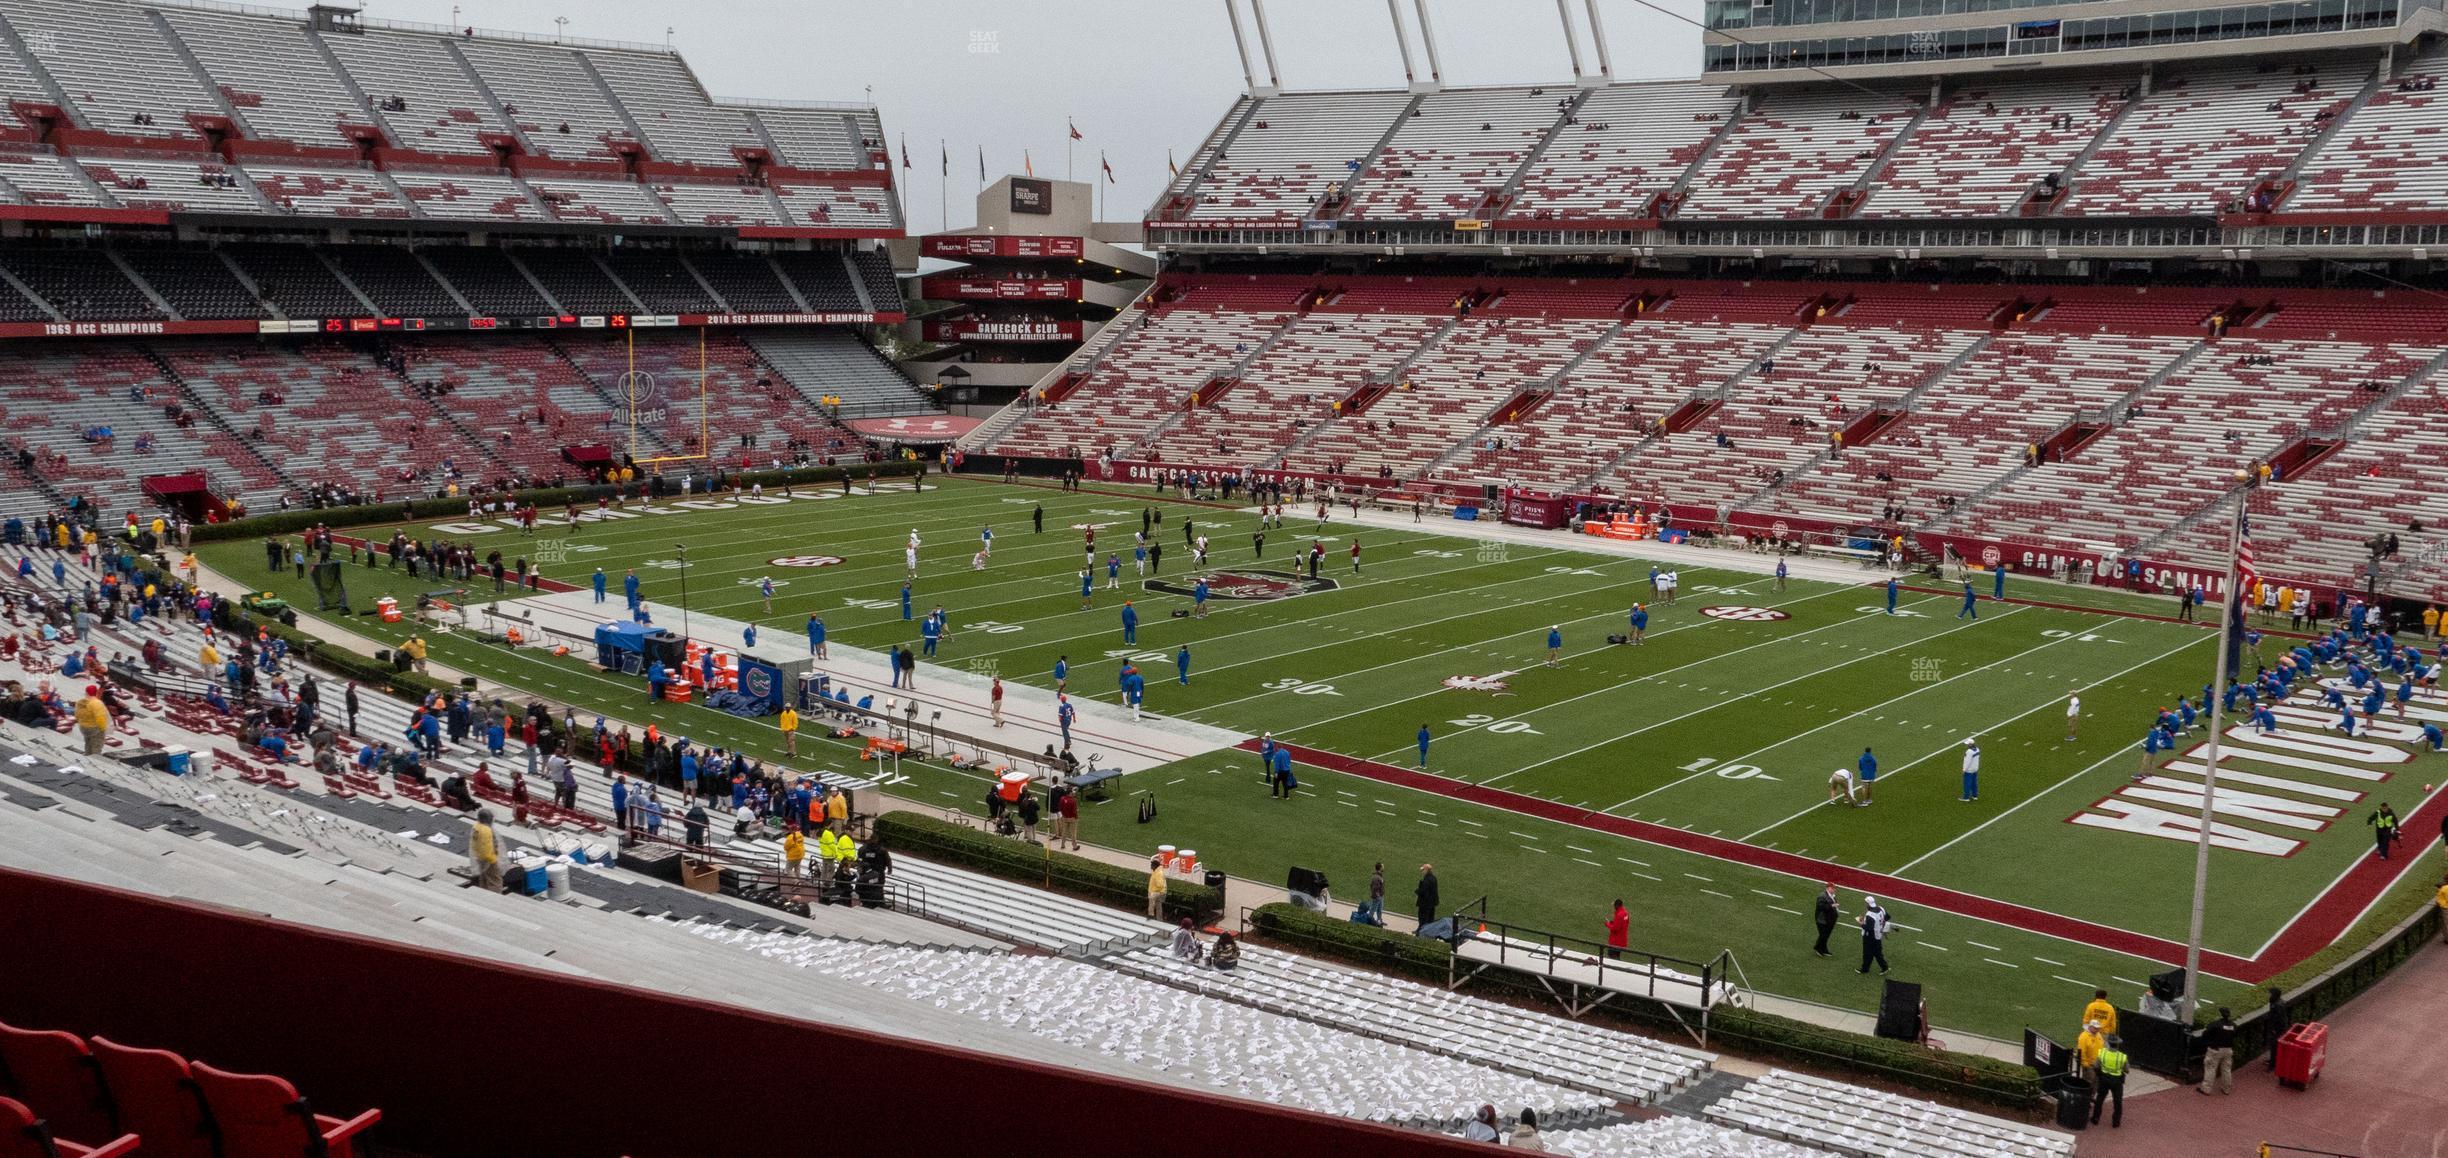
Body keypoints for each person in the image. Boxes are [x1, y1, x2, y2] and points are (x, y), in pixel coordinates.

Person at [2092, 1034, 2129, 1128]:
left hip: (2104, 1079)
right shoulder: (2122, 1057)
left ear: (2108, 1043)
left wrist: (2100, 1073)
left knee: (2100, 1099)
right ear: (2117, 1045)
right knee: (2117, 1102)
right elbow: (2127, 1070)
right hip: (2117, 1081)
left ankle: (2095, 1119)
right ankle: (2116, 1122)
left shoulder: (2102, 1053)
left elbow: (2096, 1066)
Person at [2198, 1007, 2237, 1095]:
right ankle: (2226, 1088)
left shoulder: (2214, 1025)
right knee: (2226, 1070)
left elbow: (2205, 1034)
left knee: (2210, 1069)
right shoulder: (2233, 1025)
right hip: (2228, 1050)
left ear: (2220, 1014)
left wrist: (2208, 1044)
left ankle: (2206, 1089)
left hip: (2215, 1050)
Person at [468, 809, 502, 892]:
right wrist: (492, 860)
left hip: (479, 858)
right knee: (495, 882)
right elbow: (487, 849)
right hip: (489, 860)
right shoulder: (486, 830)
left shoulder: (477, 826)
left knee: (483, 881)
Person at [1857, 895, 1890, 974]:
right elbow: (1888, 917)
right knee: (1877, 953)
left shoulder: (1870, 914)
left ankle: (1865, 969)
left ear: (1868, 904)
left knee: (1867, 953)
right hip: (1878, 935)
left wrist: (1861, 923)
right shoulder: (1881, 908)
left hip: (1870, 937)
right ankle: (1884, 967)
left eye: (1866, 903)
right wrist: (1881, 925)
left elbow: (1869, 928)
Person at [74, 684, 108, 756]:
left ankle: (87, 755)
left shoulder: (80, 702)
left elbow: (77, 715)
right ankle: (95, 760)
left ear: (86, 692)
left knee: (88, 744)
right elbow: (100, 719)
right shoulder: (97, 703)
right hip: (94, 729)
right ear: (96, 692)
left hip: (84, 728)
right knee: (97, 747)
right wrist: (103, 729)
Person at [1813, 882, 1841, 956]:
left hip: (1830, 919)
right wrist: (1832, 905)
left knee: (1826, 935)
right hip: (1822, 920)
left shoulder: (1832, 896)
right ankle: (1818, 948)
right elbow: (1821, 907)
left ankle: (1824, 949)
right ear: (1828, 888)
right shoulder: (1822, 896)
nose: (1835, 890)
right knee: (1823, 935)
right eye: (1833, 888)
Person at [1054, 780, 1080, 850]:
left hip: (1064, 817)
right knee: (1073, 833)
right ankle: (1074, 846)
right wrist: (1077, 816)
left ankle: (1062, 845)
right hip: (1072, 818)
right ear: (1070, 793)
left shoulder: (1062, 799)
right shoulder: (1073, 800)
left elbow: (1060, 807)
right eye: (1072, 792)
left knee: (1064, 832)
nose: (1073, 793)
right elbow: (1074, 811)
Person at [1415, 863, 1440, 931]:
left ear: (1426, 870)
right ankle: (1429, 931)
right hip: (1432, 903)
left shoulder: (1427, 880)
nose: (1422, 871)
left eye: (1423, 870)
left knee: (1422, 918)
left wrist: (1417, 891)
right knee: (1430, 918)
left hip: (1425, 904)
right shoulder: (1433, 878)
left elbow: (1423, 891)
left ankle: (1420, 931)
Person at [1959, 737, 1981, 802]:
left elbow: (1967, 762)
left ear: (1970, 744)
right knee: (1974, 783)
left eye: (1968, 744)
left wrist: (1964, 769)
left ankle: (1966, 797)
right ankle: (1975, 796)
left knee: (1967, 783)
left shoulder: (1969, 751)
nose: (1967, 745)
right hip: (1975, 768)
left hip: (1969, 770)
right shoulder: (1977, 749)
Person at [1146, 855, 1168, 919]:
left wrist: (1153, 891)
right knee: (1158, 905)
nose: (1151, 866)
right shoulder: (1155, 871)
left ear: (1155, 866)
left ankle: (1151, 915)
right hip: (1160, 891)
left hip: (1160, 892)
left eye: (1152, 865)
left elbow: (1160, 885)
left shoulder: (1159, 873)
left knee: (1151, 897)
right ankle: (1159, 919)